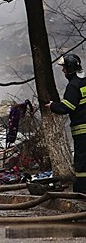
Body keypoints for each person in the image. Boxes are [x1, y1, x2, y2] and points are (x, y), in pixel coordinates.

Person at [45, 53, 86, 194]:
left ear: (70, 68)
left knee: (81, 162)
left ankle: (82, 190)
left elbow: (67, 107)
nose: (63, 72)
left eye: (64, 69)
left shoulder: (73, 86)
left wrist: (52, 106)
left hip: (82, 132)